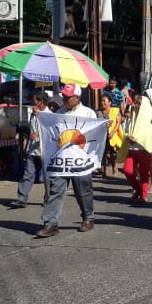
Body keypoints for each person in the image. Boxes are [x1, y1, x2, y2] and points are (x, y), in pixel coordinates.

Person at [35, 84, 98, 237]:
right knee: (55, 190)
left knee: (83, 190)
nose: (65, 99)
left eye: (68, 97)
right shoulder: (59, 113)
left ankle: (88, 218)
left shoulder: (88, 113)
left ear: (77, 97)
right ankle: (50, 223)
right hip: (62, 159)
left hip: (80, 160)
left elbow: (95, 134)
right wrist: (42, 118)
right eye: (64, 96)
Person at [11, 91, 51, 209]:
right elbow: (31, 129)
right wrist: (29, 137)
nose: (33, 103)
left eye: (35, 100)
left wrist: (39, 134)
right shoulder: (33, 114)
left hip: (45, 151)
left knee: (47, 177)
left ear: (41, 102)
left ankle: (48, 199)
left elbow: (52, 132)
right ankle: (22, 198)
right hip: (32, 150)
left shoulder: (50, 115)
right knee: (27, 174)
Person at [98, 93, 124, 177]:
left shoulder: (115, 110)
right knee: (102, 153)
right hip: (102, 135)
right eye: (101, 101)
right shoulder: (98, 112)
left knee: (111, 154)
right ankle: (103, 170)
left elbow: (118, 123)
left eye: (104, 101)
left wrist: (112, 133)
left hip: (112, 136)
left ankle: (114, 166)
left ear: (109, 102)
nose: (102, 103)